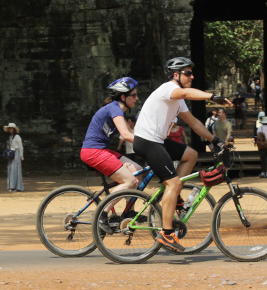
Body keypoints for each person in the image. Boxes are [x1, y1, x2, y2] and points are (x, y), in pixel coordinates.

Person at [132, 57, 230, 252]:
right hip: (147, 141)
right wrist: (212, 96)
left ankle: (173, 195)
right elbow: (185, 92)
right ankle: (166, 233)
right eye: (187, 73)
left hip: (157, 140)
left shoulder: (178, 101)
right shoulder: (168, 89)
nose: (192, 77)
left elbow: (194, 123)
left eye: (191, 73)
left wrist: (214, 140)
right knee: (174, 182)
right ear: (175, 75)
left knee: (191, 154)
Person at [81, 77, 144, 195]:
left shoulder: (119, 112)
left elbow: (132, 134)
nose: (137, 98)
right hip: (93, 152)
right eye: (134, 95)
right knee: (129, 180)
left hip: (103, 151)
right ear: (123, 97)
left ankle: (128, 211)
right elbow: (126, 135)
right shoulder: (115, 108)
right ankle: (103, 212)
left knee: (138, 170)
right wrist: (152, 144)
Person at [4, 122, 25, 192]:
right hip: (11, 153)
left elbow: (21, 147)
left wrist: (21, 155)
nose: (10, 129)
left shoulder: (17, 137)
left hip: (16, 153)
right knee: (10, 168)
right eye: (9, 128)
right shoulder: (10, 137)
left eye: (11, 128)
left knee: (16, 169)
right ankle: (11, 186)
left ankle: (17, 187)